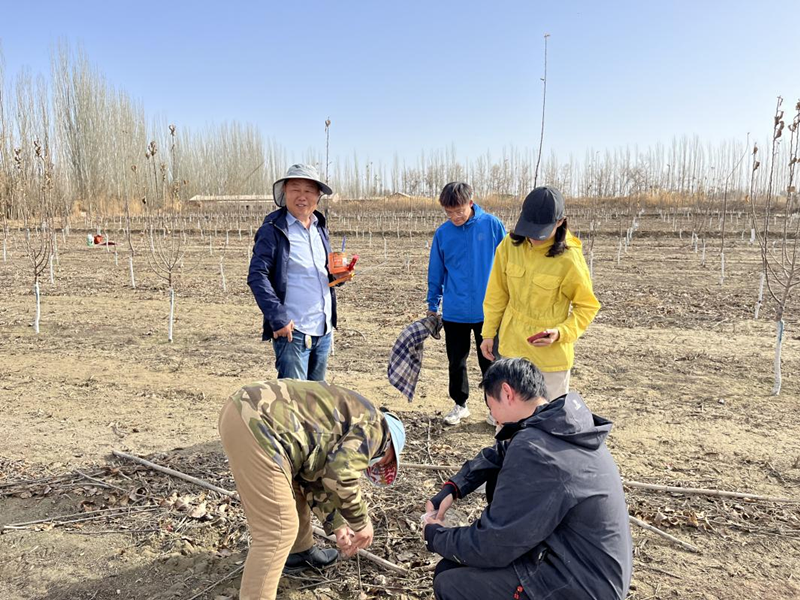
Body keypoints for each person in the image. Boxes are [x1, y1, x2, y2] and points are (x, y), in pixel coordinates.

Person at [422, 358, 632, 600]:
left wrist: (436, 536)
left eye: (491, 408)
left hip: (579, 585)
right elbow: (502, 451)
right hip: (591, 571)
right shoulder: (560, 427)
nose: (495, 419)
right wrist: (454, 487)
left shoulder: (535, 449)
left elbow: (493, 544)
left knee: (451, 583)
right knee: (451, 569)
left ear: (506, 392)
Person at [218, 379, 406, 600]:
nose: (378, 466)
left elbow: (312, 476)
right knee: (277, 530)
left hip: (243, 411)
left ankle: (299, 552)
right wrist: (361, 522)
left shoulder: (353, 420)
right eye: (388, 462)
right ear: (391, 447)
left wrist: (338, 525)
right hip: (258, 423)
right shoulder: (377, 428)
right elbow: (340, 474)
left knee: (293, 486)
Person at [480, 186, 600, 408]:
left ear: (560, 222)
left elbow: (586, 306)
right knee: (508, 422)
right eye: (530, 229)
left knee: (547, 425)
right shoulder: (509, 246)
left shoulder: (569, 258)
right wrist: (488, 333)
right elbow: (497, 294)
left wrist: (560, 333)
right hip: (511, 349)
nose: (534, 238)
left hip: (550, 360)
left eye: (541, 232)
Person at [248, 164, 349, 381]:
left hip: (323, 329)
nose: (302, 196)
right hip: (293, 331)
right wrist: (277, 317)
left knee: (316, 403)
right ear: (285, 192)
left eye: (309, 190)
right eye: (295, 189)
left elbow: (321, 272)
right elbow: (257, 275)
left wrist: (337, 277)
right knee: (292, 403)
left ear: (318, 196)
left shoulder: (319, 228)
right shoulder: (273, 230)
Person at [427, 182, 506, 425]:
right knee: (456, 361)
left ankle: (495, 409)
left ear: (471, 203)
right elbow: (436, 271)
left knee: (491, 362)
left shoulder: (492, 225)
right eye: (449, 212)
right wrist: (433, 305)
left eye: (459, 211)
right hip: (455, 312)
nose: (455, 217)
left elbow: (508, 265)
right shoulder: (443, 233)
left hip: (488, 312)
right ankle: (460, 404)